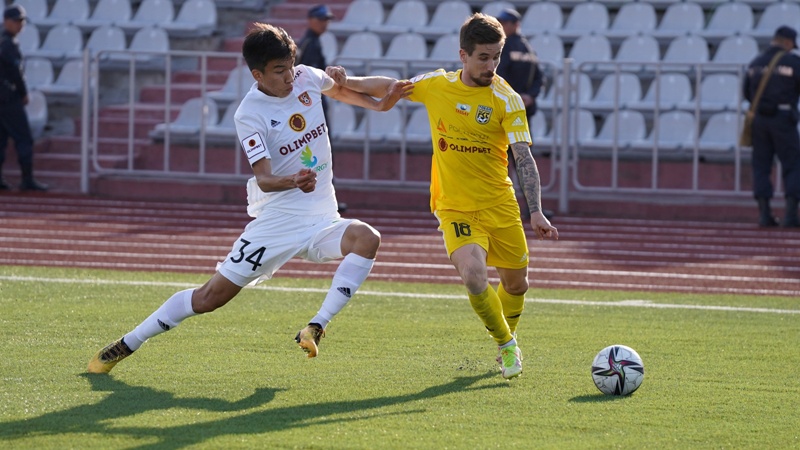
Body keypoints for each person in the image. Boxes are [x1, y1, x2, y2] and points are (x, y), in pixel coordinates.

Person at [87, 23, 412, 374]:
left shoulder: (307, 77)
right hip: (277, 223)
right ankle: (127, 343)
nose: (289, 76)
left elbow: (363, 89)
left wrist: (384, 97)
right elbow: (265, 180)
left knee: (367, 238)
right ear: (257, 74)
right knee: (209, 298)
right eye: (279, 70)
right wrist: (294, 180)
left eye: (291, 66)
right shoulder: (250, 113)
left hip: (322, 219)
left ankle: (316, 326)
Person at [327, 13, 559, 379]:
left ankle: (507, 335)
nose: (491, 66)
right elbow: (390, 86)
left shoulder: (507, 99)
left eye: (496, 57)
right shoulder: (437, 84)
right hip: (454, 207)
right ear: (463, 55)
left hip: (500, 205)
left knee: (517, 284)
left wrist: (537, 211)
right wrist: (345, 81)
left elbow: (523, 157)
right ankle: (506, 345)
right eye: (483, 57)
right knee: (473, 275)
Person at [494, 8, 552, 221]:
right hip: (522, 112)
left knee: (502, 163)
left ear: (515, 24)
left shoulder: (503, 47)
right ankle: (531, 209)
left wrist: (520, 97)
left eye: (505, 22)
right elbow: (540, 79)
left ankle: (504, 208)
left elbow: (497, 78)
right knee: (523, 162)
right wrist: (529, 97)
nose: (501, 25)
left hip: (504, 113)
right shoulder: (528, 48)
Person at [744, 25, 800, 228]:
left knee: (761, 165)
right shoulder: (793, 62)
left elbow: (747, 93)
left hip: (759, 120)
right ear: (787, 42)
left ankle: (764, 213)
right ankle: (791, 215)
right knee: (793, 164)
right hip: (783, 118)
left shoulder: (755, 62)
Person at [0, 4, 47, 191]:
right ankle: (27, 179)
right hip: (8, 97)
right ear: (6, 21)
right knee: (24, 137)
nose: (20, 25)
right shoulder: (8, 44)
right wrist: (23, 93)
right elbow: (15, 72)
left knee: (1, 139)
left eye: (21, 22)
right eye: (16, 21)